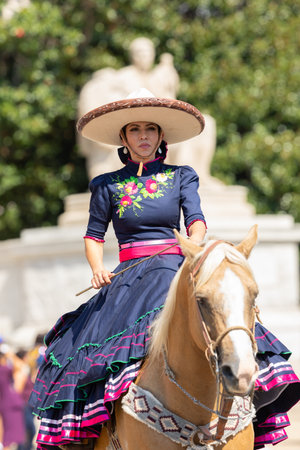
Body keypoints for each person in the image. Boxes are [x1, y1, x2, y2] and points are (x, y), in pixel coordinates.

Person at [29, 89, 300, 449]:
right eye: (135, 130)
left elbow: (197, 221)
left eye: (150, 129)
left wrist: (195, 247)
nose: (143, 136)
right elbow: (94, 235)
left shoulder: (181, 177)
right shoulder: (107, 185)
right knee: (91, 358)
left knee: (230, 319)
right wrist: (97, 269)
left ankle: (248, 400)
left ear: (161, 137)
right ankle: (92, 433)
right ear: (123, 138)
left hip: (176, 264)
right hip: (129, 279)